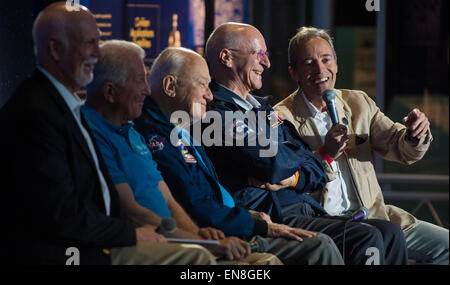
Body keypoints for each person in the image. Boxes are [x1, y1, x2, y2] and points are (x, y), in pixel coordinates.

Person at [0, 2, 216, 265]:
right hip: (72, 252)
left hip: (101, 238)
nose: (96, 54)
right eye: (89, 43)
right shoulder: (36, 112)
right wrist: (132, 234)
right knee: (197, 259)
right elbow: (59, 214)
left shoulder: (64, 107)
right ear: (56, 48)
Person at [202, 22, 409, 265]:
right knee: (366, 237)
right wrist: (298, 157)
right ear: (227, 58)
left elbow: (313, 169)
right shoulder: (216, 114)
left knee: (390, 233)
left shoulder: (263, 108)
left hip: (303, 209)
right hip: (275, 214)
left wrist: (298, 162)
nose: (267, 63)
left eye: (266, 56)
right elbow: (274, 164)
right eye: (259, 55)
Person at [134, 46, 345, 265]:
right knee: (321, 245)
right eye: (203, 85)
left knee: (368, 232)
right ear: (170, 86)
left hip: (245, 217)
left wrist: (249, 212)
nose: (209, 94)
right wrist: (252, 222)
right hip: (223, 229)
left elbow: (302, 159)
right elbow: (272, 165)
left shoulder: (258, 109)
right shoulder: (200, 121)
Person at [82, 39, 282, 265]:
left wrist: (200, 236)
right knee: (211, 258)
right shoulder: (94, 132)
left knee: (264, 261)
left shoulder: (131, 131)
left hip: (182, 235)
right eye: (139, 81)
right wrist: (204, 241)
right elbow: (132, 211)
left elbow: (169, 201)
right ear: (110, 91)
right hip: (142, 240)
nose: (146, 90)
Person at [273, 26, 449, 265]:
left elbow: (399, 147)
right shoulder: (282, 118)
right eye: (309, 63)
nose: (320, 70)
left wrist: (414, 134)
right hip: (328, 225)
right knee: (373, 243)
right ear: (294, 72)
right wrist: (325, 153)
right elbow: (284, 177)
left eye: (326, 60)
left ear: (336, 62)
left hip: (377, 215)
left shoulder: (358, 102)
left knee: (445, 246)